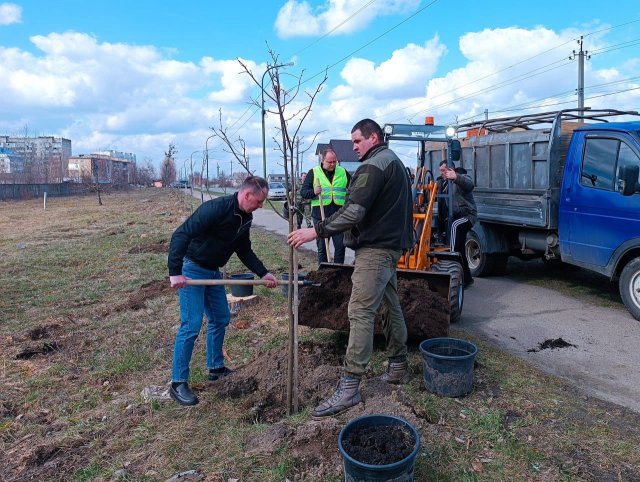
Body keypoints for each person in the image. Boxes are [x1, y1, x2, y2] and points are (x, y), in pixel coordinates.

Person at [288, 119, 413, 418]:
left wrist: (316, 231)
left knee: (359, 311)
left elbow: (355, 211)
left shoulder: (373, 166)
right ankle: (398, 366)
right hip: (389, 246)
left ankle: (350, 386)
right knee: (389, 303)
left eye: (357, 141)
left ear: (373, 137)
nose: (353, 147)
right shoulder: (392, 161)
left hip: (376, 249)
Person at [167, 176, 278, 406]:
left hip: (213, 273)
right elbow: (181, 234)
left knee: (220, 318)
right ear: (247, 195)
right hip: (192, 270)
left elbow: (244, 249)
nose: (261, 205)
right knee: (191, 325)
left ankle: (215, 368)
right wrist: (175, 271)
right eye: (259, 201)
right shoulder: (215, 209)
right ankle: (178, 383)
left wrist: (263, 273)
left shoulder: (245, 217)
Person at [300, 148, 351, 264]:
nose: (333, 164)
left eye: (335, 161)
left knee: (340, 247)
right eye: (330, 162)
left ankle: (338, 271)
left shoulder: (342, 172)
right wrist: (314, 192)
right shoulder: (313, 172)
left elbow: (353, 189)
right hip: (320, 217)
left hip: (339, 216)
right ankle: (323, 271)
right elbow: (303, 193)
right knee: (322, 247)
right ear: (322, 160)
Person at [437, 159, 477, 287]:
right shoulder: (443, 184)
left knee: (455, 226)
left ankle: (451, 259)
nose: (442, 173)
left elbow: (470, 184)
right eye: (440, 171)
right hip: (455, 217)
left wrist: (456, 177)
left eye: (444, 170)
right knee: (460, 248)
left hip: (467, 215)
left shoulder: (461, 177)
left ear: (451, 169)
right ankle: (467, 279)